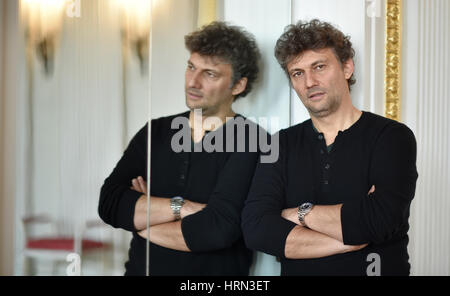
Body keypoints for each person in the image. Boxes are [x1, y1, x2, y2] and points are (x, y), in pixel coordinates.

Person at [241, 19, 418, 276]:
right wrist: (348, 239)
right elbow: (256, 229)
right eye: (297, 73)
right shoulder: (279, 143)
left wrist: (298, 214)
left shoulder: (392, 137)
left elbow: (380, 220)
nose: (309, 81)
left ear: (347, 67)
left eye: (319, 67)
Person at [99, 21, 264, 275]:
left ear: (238, 85)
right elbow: (109, 204)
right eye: (191, 67)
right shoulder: (157, 131)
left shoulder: (250, 140)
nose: (193, 82)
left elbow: (217, 229)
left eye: (209, 74)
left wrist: (144, 218)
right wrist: (182, 208)